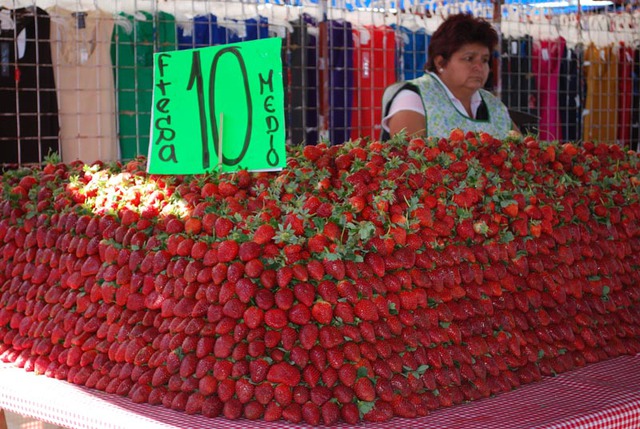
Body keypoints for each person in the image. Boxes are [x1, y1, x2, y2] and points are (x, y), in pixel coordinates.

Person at [380, 13, 517, 141]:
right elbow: (409, 160)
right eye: (469, 58)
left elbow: (524, 153)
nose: (479, 67)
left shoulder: (493, 105)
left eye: (485, 60)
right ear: (440, 62)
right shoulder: (413, 98)